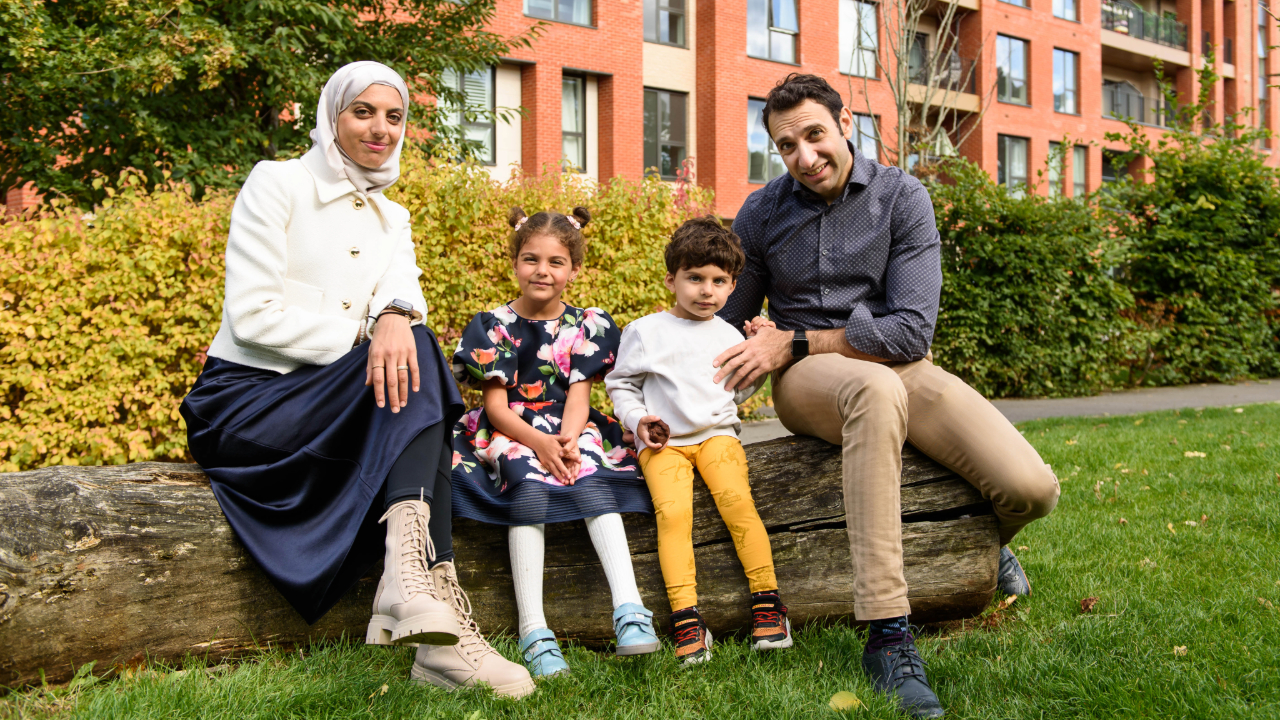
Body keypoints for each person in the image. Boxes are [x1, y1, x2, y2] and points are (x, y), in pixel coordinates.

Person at [179, 61, 534, 700]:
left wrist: (395, 314)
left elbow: (404, 289)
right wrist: (371, 337)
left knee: (415, 355)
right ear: (332, 115)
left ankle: (426, 600)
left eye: (394, 116)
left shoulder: (391, 217)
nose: (381, 128)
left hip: (330, 407)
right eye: (363, 112)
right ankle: (420, 591)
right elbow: (252, 313)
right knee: (413, 359)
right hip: (246, 404)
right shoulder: (278, 183)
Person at [716, 73, 1060, 719]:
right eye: (786, 146)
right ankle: (888, 631)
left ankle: (981, 541)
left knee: (1033, 488)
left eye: (814, 134)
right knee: (872, 389)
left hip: (893, 363)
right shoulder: (762, 212)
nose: (804, 155)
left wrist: (796, 340)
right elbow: (728, 318)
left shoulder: (903, 198)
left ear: (846, 125)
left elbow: (910, 329)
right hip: (811, 384)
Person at [449, 206, 660, 678]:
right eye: (530, 259)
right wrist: (540, 445)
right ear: (514, 263)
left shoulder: (585, 326)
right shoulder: (494, 324)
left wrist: (564, 440)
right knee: (525, 476)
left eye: (555, 262)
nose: (542, 271)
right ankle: (534, 631)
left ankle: (630, 610)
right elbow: (498, 409)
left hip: (568, 423)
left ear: (574, 269)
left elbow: (580, 397)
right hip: (511, 429)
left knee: (587, 464)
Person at [604, 217, 792, 667]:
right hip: (663, 444)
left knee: (738, 504)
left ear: (731, 286)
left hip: (717, 437)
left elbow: (738, 389)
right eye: (695, 278)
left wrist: (759, 354)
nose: (707, 290)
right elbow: (621, 386)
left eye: (719, 281)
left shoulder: (728, 335)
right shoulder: (645, 332)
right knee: (674, 517)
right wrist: (638, 418)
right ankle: (686, 616)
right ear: (672, 279)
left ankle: (768, 603)